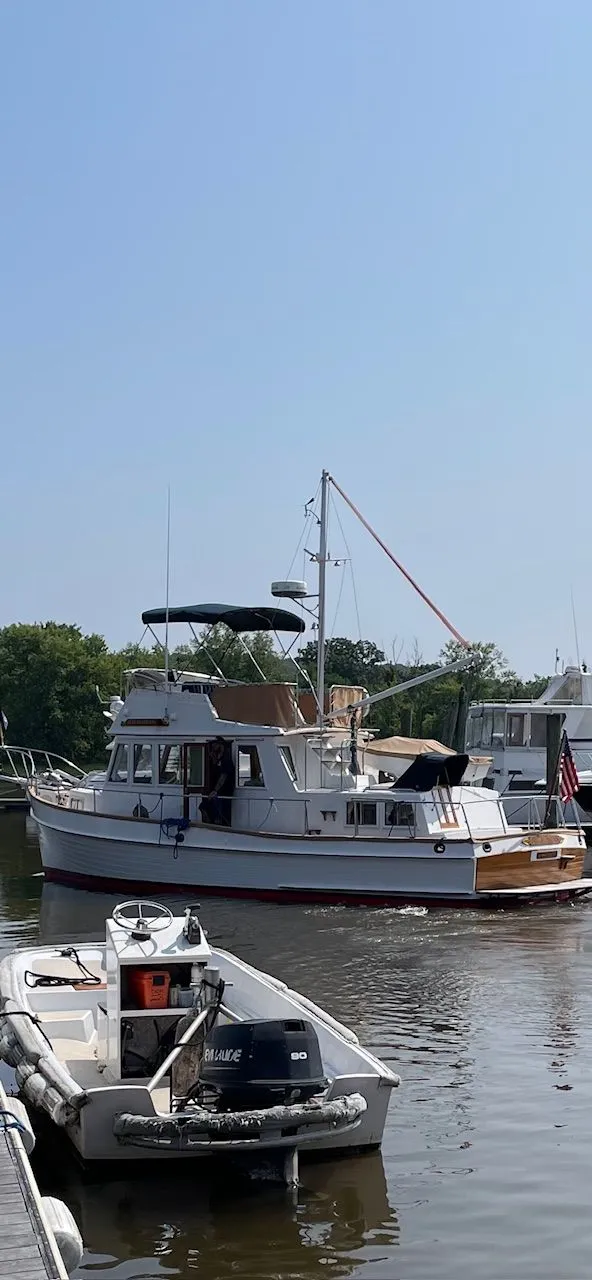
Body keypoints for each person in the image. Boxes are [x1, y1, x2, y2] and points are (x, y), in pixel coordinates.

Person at [200, 738, 234, 826]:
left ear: (221, 745)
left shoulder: (226, 759)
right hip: (217, 792)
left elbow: (223, 776)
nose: (213, 746)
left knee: (220, 812)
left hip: (224, 792)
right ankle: (211, 823)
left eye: (215, 744)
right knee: (203, 806)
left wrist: (215, 791)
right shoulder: (218, 759)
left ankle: (219, 826)